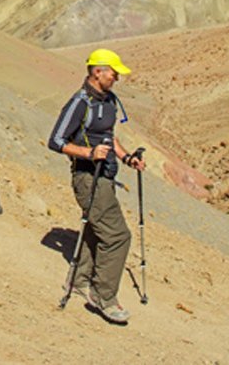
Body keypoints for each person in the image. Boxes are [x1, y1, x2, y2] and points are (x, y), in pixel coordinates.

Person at [47, 48, 146, 325]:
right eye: (113, 72)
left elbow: (108, 137)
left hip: (106, 176)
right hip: (87, 177)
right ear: (97, 71)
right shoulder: (79, 102)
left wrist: (127, 158)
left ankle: (79, 280)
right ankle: (104, 296)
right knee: (118, 236)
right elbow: (55, 141)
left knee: (95, 229)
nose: (117, 77)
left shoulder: (110, 100)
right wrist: (89, 154)